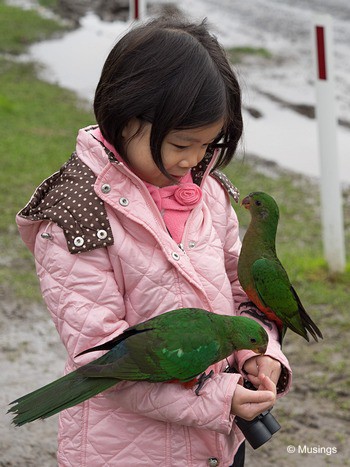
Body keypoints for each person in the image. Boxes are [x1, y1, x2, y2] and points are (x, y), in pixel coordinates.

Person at [17, 16, 291, 467]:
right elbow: (97, 360)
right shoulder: (75, 216)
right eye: (183, 143)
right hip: (126, 452)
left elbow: (245, 293)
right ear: (127, 119)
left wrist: (260, 354)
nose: (196, 160)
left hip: (217, 448)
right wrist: (219, 400)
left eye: (209, 145)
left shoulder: (212, 193)